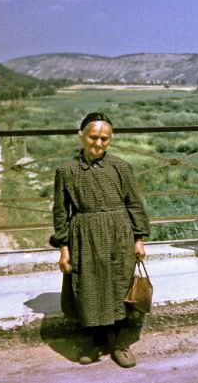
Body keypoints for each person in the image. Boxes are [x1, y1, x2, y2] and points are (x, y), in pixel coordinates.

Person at [51, 112, 150, 367]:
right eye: (93, 137)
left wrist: (138, 239)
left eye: (104, 139)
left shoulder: (120, 167)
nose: (98, 143)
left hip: (119, 234)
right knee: (89, 289)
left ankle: (120, 344)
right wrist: (64, 249)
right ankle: (94, 342)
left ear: (110, 140)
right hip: (84, 235)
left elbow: (134, 204)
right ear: (81, 135)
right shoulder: (66, 171)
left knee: (120, 285)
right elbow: (61, 211)